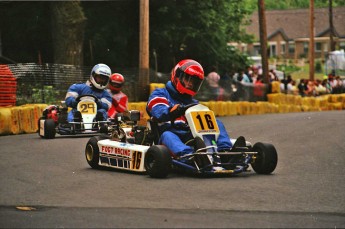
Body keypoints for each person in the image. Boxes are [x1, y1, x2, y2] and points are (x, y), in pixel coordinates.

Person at [146, 59, 232, 158]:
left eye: (194, 82)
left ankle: (225, 151)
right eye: (187, 79)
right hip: (170, 136)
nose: (190, 84)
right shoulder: (161, 94)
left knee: (217, 123)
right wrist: (172, 111)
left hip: (191, 136)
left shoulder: (193, 103)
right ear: (177, 76)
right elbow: (158, 111)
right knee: (168, 135)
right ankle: (188, 156)